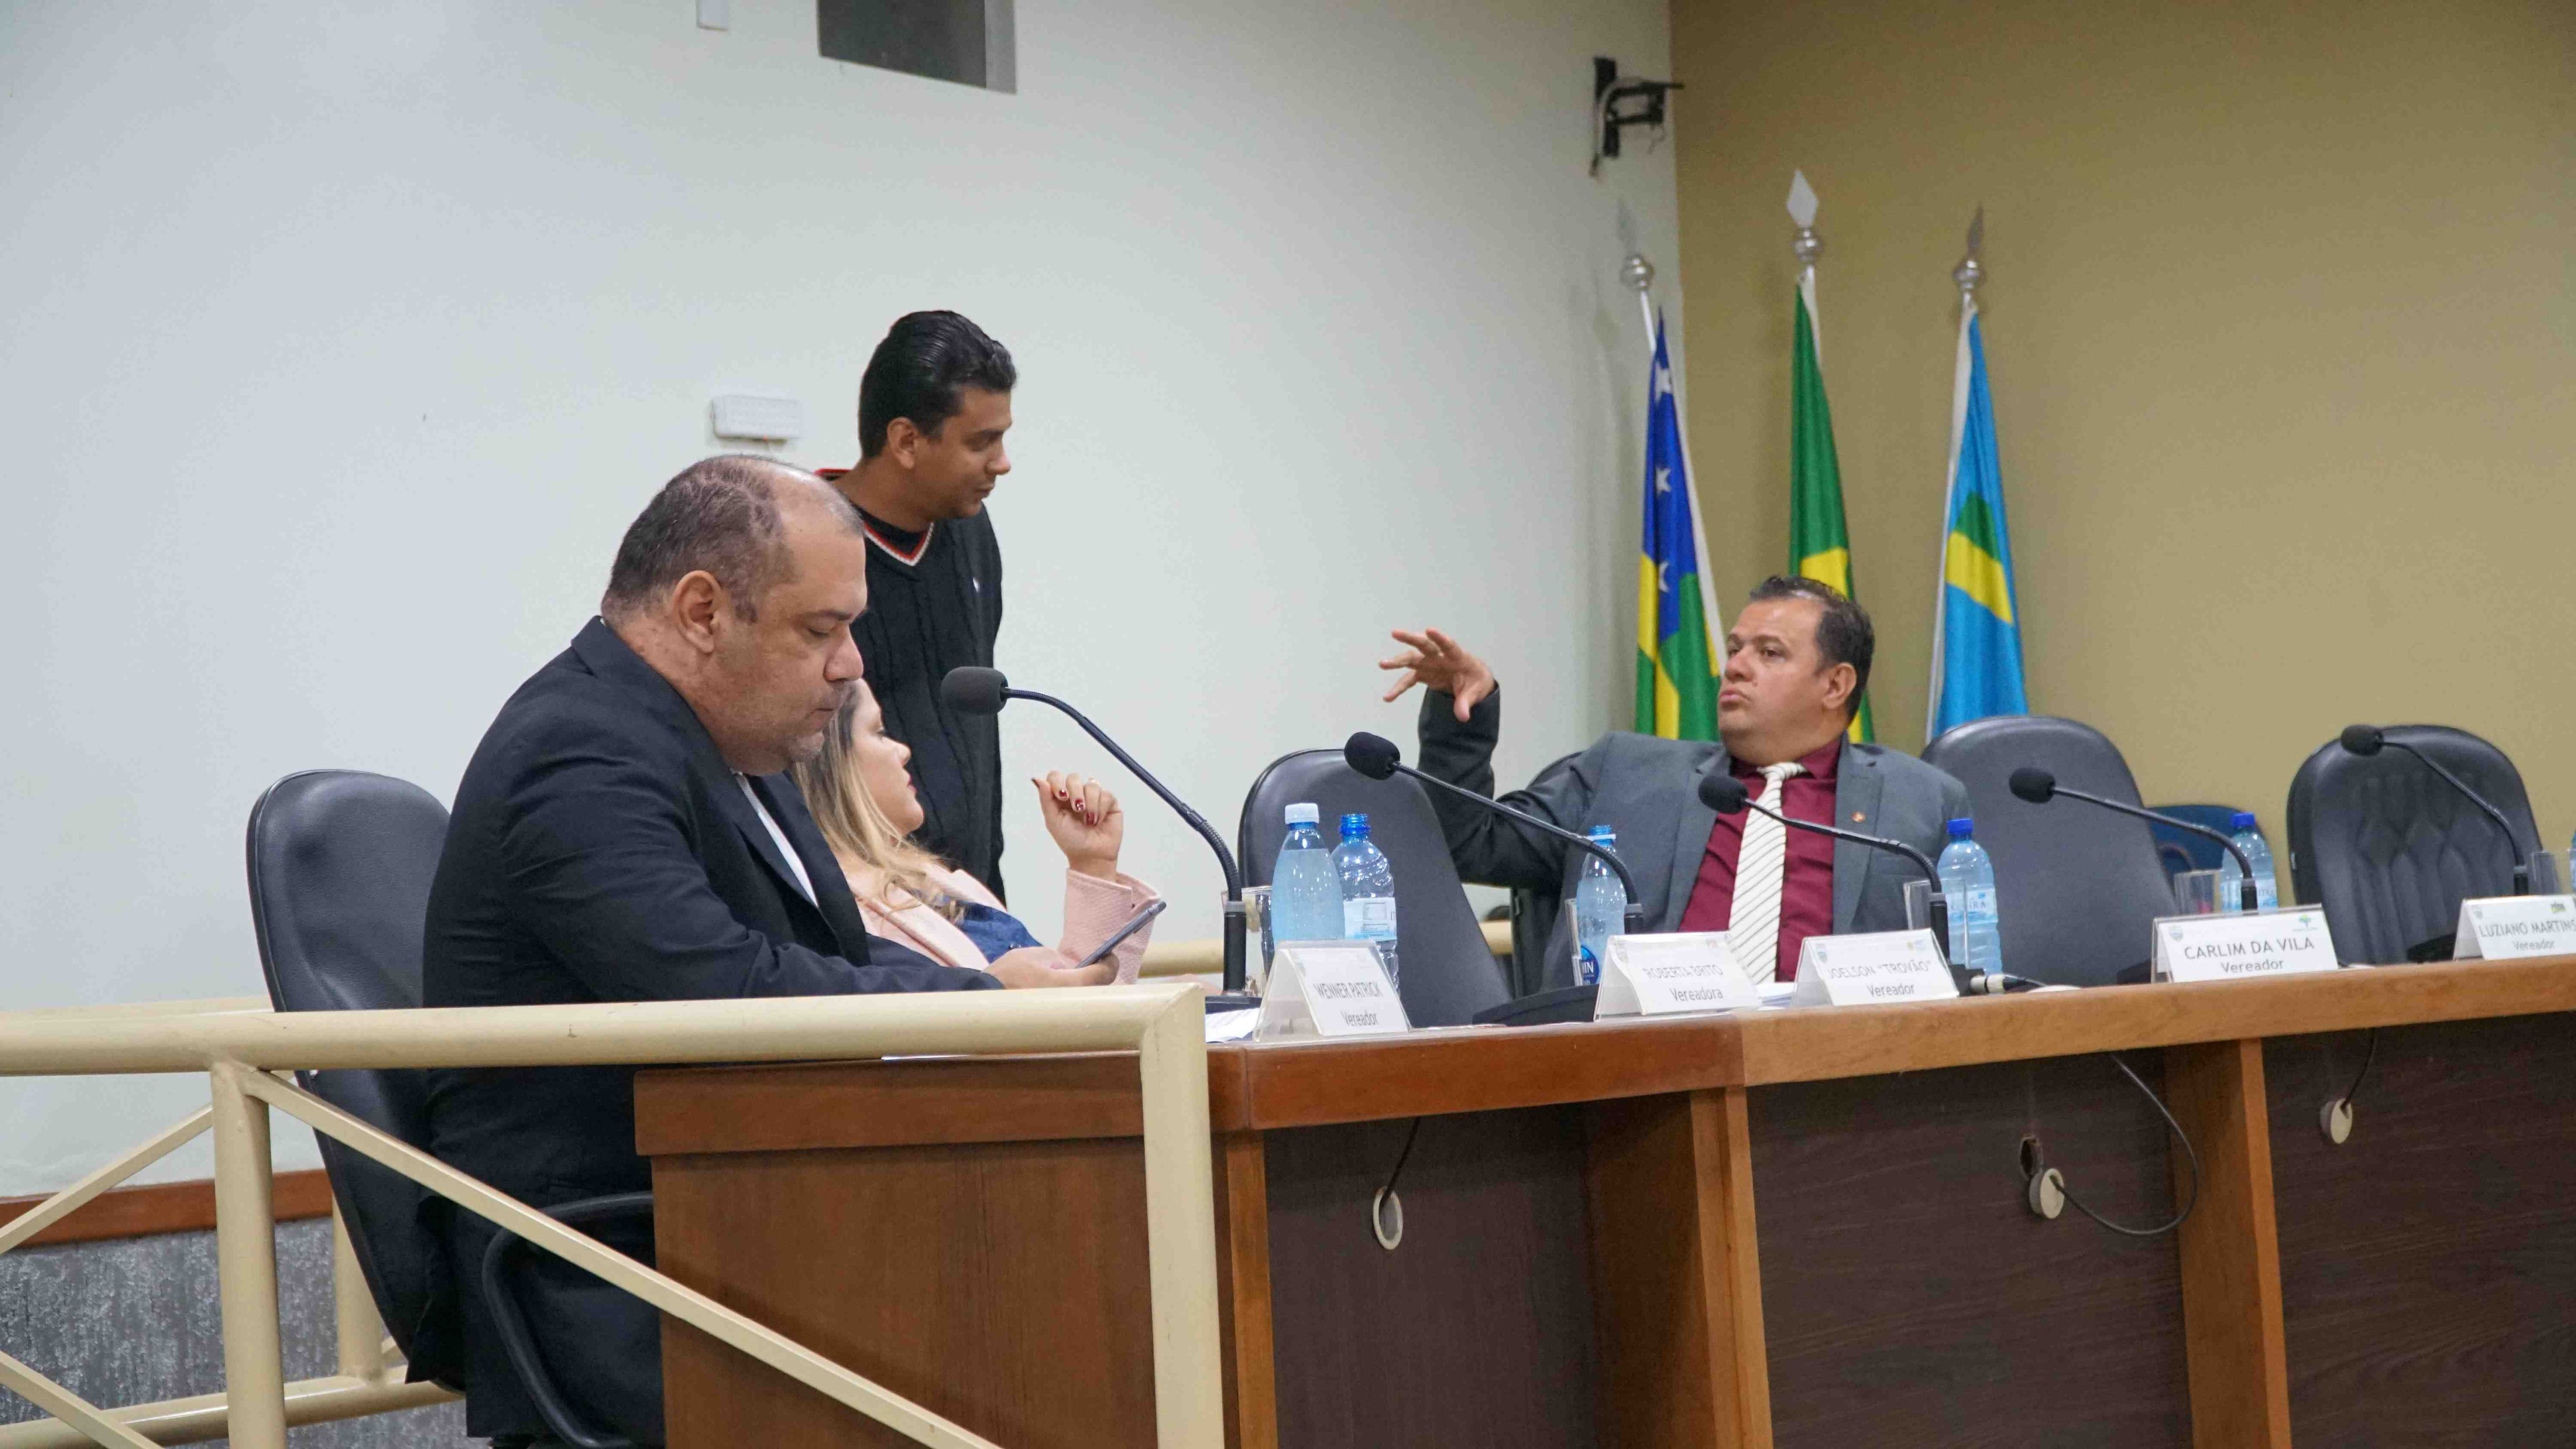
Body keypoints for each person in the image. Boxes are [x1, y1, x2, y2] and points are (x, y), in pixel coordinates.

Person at [422, 454, 1107, 1448]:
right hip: (624, 1264)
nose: (852, 665)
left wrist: (985, 988)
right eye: (820, 630)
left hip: (749, 1220)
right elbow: (723, 991)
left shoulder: (729, 742)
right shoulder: (578, 750)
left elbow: (829, 959)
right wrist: (982, 1002)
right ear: (703, 611)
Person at [1380, 575, 1969, 986]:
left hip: (1840, 1072)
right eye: (1735, 649)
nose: (1735, 666)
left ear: (1835, 685)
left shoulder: (1922, 800)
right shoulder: (1623, 773)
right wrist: (1461, 720)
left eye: (1769, 653)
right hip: (1645, 1065)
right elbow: (1469, 843)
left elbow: (1964, 961)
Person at [818, 310, 1016, 897]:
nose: (1003, 462)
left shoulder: (971, 530)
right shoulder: (803, 549)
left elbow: (973, 738)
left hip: (973, 895)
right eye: (980, 442)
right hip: (872, 906)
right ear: (905, 440)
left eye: (1003, 437)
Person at [790, 682, 1162, 980]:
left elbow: (1083, 1008)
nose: (902, 750)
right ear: (832, 765)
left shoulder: (933, 879)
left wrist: (1093, 864)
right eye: (880, 732)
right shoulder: (840, 914)